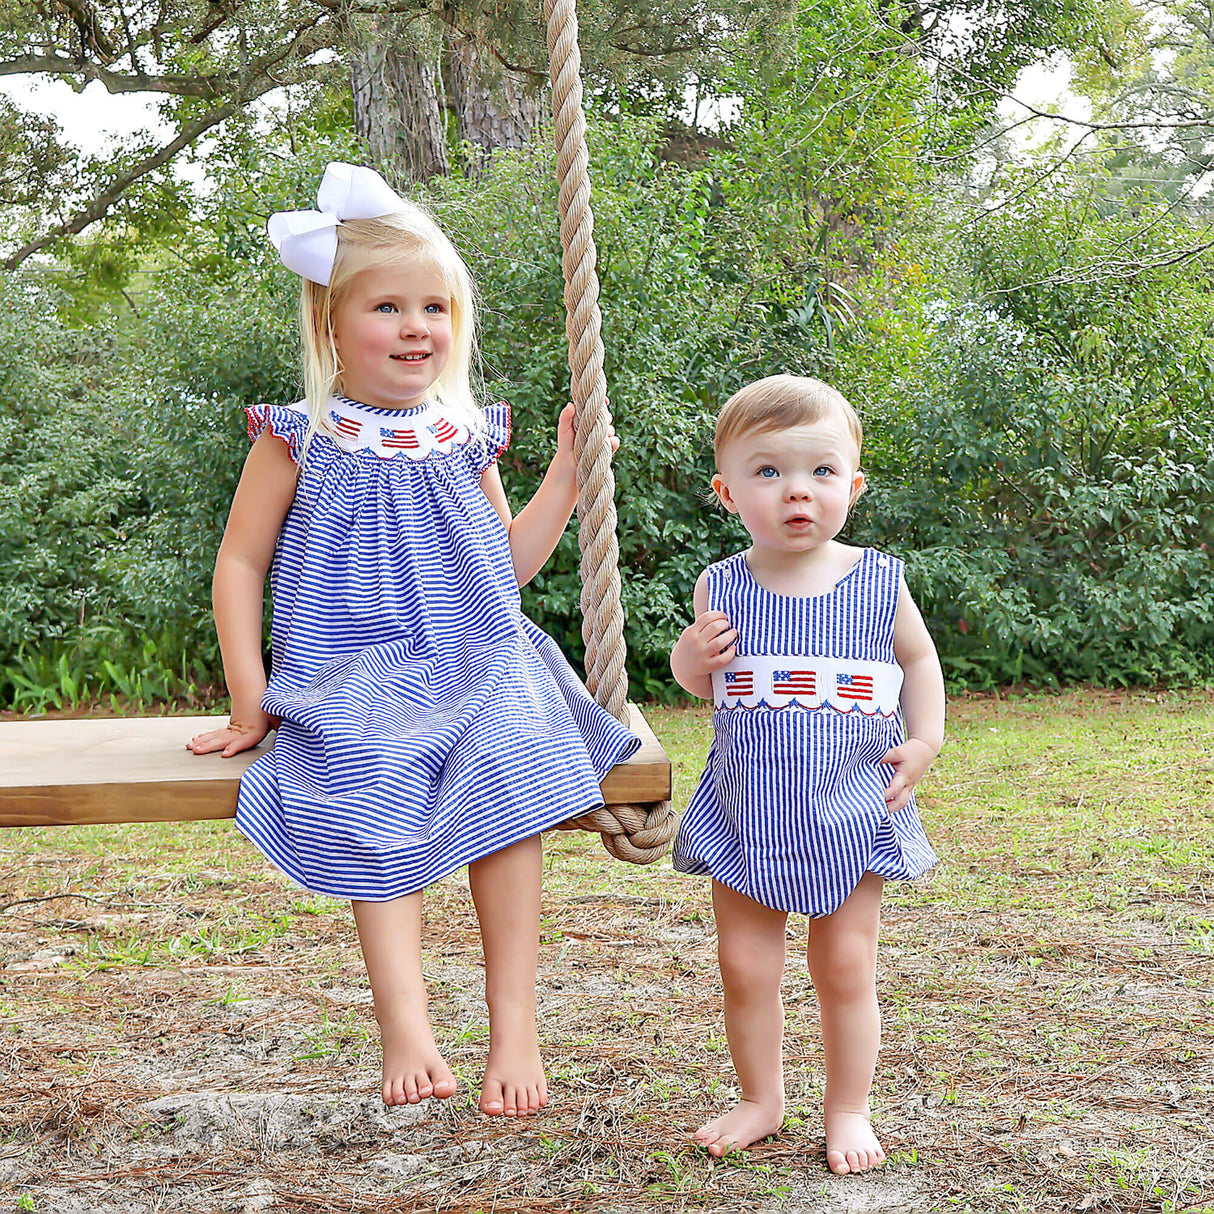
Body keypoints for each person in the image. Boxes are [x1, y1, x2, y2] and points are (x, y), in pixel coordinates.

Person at [188, 162, 639, 1119]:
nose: (415, 326)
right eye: (387, 307)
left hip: (475, 657)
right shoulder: (298, 437)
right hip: (348, 671)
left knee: (510, 767)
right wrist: (248, 691)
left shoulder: (465, 434)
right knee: (366, 778)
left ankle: (512, 1019)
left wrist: (565, 474)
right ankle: (407, 1022)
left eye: (433, 307)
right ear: (329, 328)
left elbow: (503, 568)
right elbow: (239, 566)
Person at [669, 375, 944, 1174]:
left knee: (846, 964)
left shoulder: (878, 581)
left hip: (851, 805)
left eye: (821, 472)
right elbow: (702, 679)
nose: (797, 491)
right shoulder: (720, 584)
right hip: (747, 809)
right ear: (727, 492)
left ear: (852, 485)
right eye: (768, 472)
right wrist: (688, 660)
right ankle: (762, 1097)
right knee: (746, 966)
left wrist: (924, 741)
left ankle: (848, 1106)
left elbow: (919, 661)